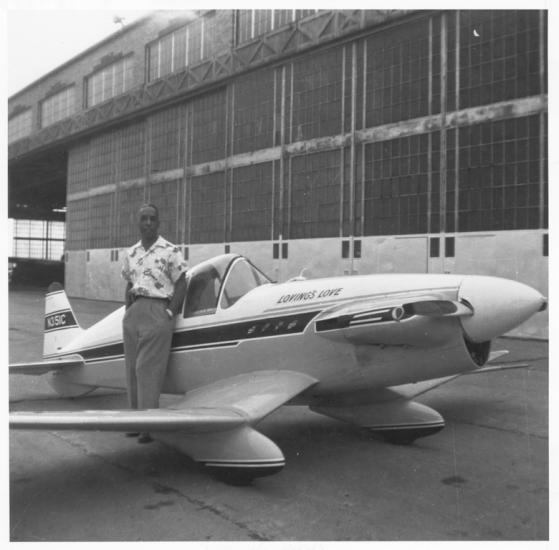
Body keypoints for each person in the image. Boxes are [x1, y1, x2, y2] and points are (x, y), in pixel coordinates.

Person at [121, 204, 188, 443]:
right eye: (144, 219)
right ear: (137, 223)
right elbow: (129, 283)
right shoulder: (131, 253)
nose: (148, 222)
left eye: (152, 219)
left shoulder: (170, 250)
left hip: (159, 309)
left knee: (146, 370)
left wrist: (170, 312)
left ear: (158, 223)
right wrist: (128, 312)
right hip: (134, 311)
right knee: (131, 369)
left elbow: (182, 283)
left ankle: (148, 426)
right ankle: (134, 422)